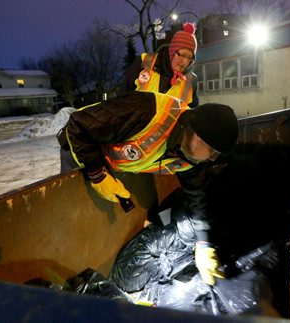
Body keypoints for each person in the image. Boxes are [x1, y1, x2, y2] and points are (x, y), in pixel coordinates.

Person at [57, 90, 239, 286]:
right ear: (196, 133)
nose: (212, 158)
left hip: (116, 160)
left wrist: (203, 244)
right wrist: (97, 174)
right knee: (79, 217)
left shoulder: (192, 159)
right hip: (79, 148)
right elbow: (79, 124)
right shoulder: (145, 110)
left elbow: (198, 198)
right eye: (212, 151)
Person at [120, 22, 199, 108]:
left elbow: (192, 115)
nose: (184, 61)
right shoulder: (145, 61)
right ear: (172, 51)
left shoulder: (190, 81)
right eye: (182, 55)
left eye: (190, 58)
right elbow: (122, 97)